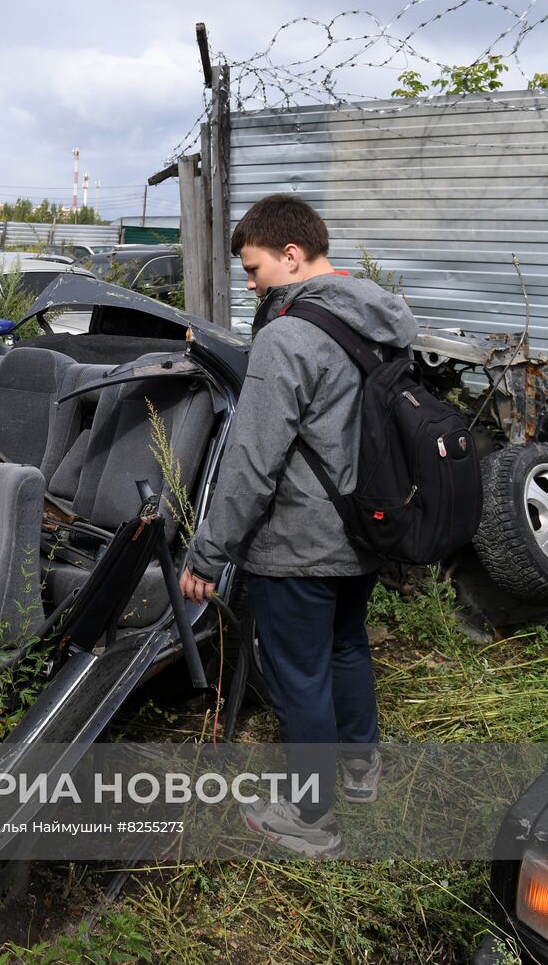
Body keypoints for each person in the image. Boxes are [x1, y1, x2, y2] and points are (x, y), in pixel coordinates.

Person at [179, 194, 418, 857]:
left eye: (253, 269)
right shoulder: (378, 319)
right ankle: (360, 767)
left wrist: (207, 554)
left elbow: (252, 459)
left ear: (292, 253)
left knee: (299, 674)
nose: (249, 284)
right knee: (345, 647)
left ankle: (312, 820)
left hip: (299, 540)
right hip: (365, 523)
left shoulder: (287, 336)